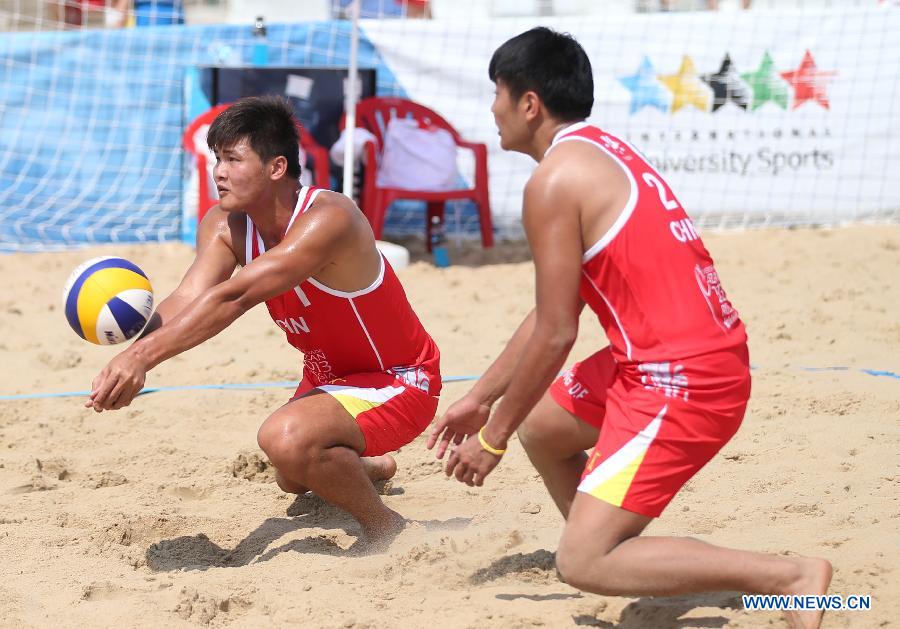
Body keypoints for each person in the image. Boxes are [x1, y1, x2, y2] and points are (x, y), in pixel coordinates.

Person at [427, 27, 831, 629]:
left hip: (683, 379)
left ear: (530, 103)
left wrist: (492, 437)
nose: (492, 108)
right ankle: (616, 548)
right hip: (679, 359)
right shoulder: (603, 151)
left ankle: (790, 579)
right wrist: (480, 400)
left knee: (582, 563)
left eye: (498, 92)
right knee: (545, 428)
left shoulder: (554, 180)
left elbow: (559, 333)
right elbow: (549, 314)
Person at [87, 96, 441, 548]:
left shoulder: (329, 218)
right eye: (217, 158)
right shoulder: (224, 224)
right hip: (330, 377)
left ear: (276, 167)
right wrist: (126, 343)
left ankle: (387, 528)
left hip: (399, 380)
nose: (218, 171)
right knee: (291, 477)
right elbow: (188, 299)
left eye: (233, 158)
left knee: (286, 439)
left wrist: (141, 359)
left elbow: (235, 297)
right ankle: (370, 467)